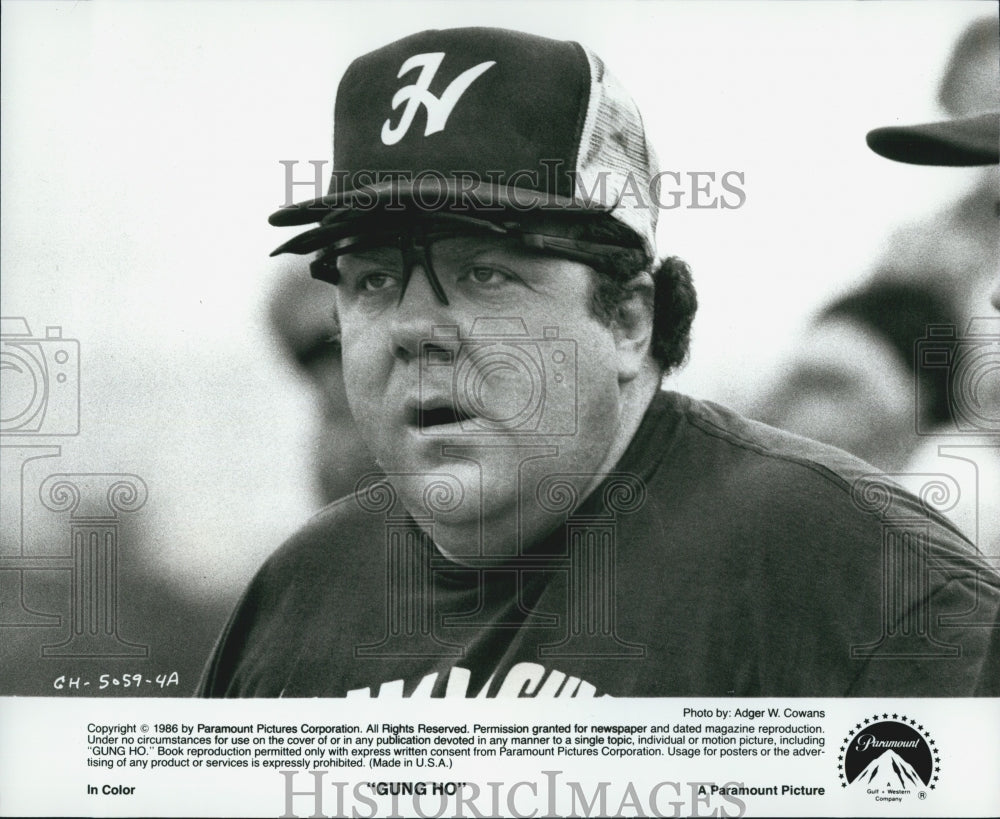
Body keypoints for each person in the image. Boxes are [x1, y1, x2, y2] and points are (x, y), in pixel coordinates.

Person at [199, 27, 1000, 698]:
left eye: (486, 273)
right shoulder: (293, 597)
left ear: (627, 317)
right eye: (372, 279)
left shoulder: (867, 579)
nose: (415, 328)